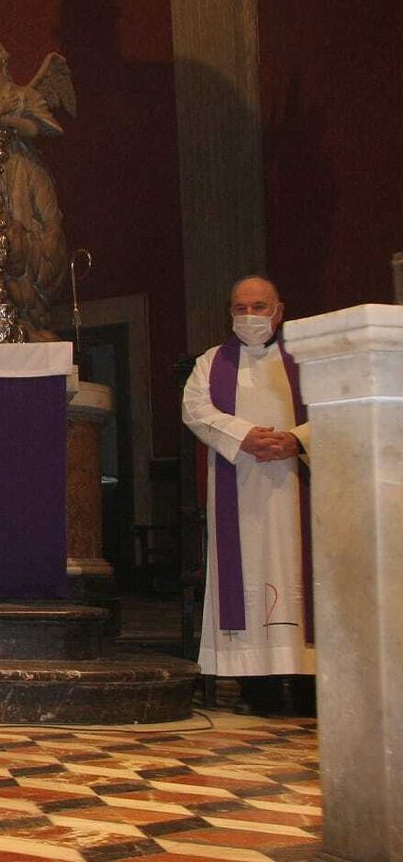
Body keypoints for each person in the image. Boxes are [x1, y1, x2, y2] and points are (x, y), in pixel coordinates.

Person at [182, 275, 314, 715]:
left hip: (297, 487)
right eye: (241, 309)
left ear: (279, 309)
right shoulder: (212, 362)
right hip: (239, 489)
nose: (251, 316)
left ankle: (307, 678)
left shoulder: (306, 359)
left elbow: (336, 408)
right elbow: (196, 410)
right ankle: (256, 681)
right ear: (230, 314)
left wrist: (297, 440)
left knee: (302, 572)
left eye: (259, 307)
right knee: (246, 573)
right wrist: (244, 436)